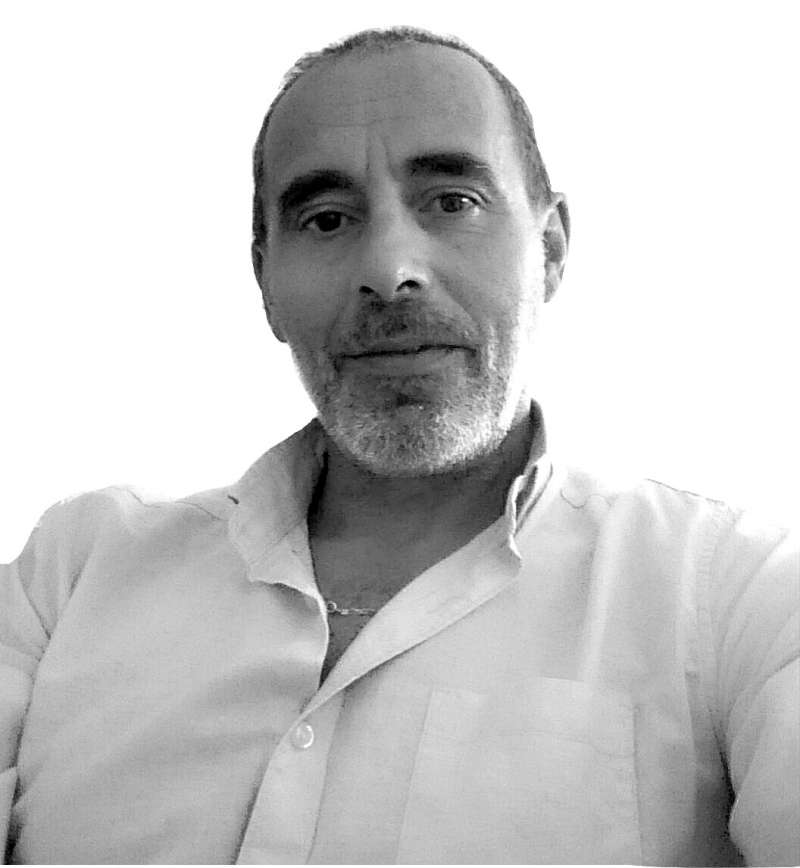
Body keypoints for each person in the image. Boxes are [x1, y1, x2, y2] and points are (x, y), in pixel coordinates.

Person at [1, 24, 797, 866]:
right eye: (326, 219)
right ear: (265, 284)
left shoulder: (736, 594)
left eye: (453, 202)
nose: (388, 269)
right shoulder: (72, 574)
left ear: (551, 249)